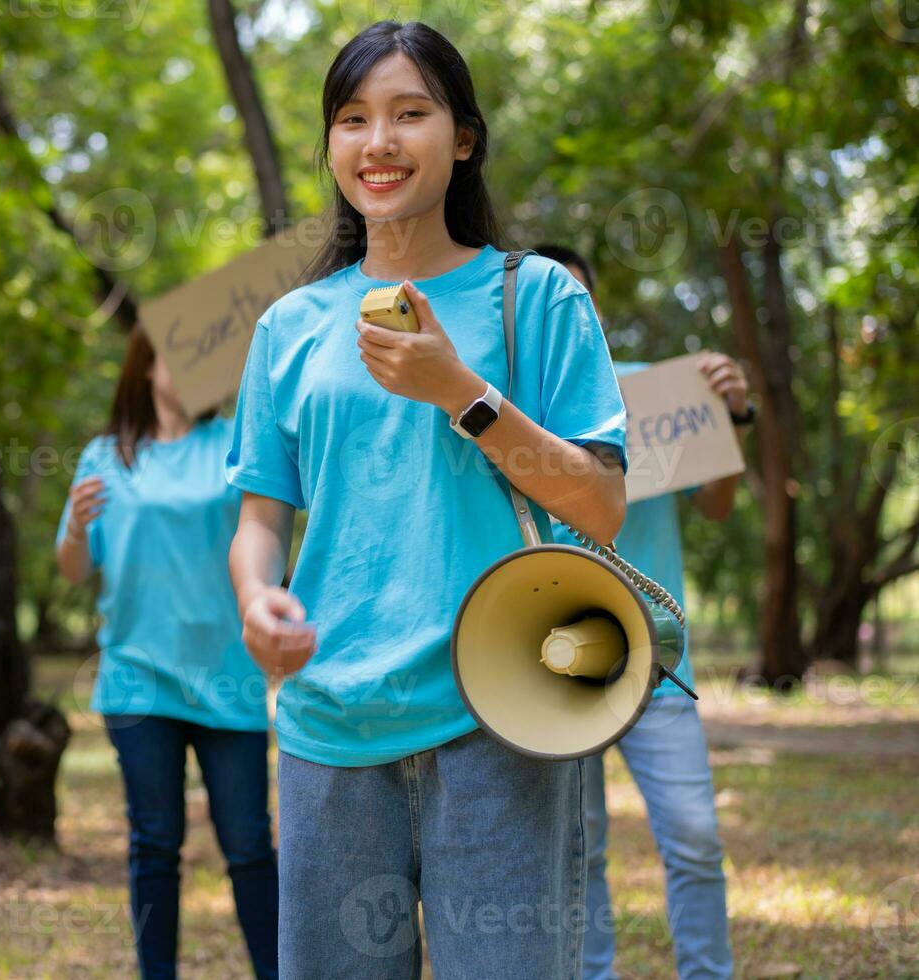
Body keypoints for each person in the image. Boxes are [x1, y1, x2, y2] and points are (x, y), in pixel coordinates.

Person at [225, 21, 631, 978]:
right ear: (330, 145)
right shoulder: (290, 326)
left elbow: (603, 505)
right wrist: (256, 600)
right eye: (354, 119)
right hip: (330, 723)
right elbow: (258, 519)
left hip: (503, 714)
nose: (380, 143)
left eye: (411, 113)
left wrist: (463, 391)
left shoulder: (535, 299)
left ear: (463, 138)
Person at [538, 243, 745, 980]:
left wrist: (730, 416)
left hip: (656, 665)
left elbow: (717, 508)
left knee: (693, 837)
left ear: (593, 312)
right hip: (550, 672)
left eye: (576, 301)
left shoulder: (647, 396)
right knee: (578, 848)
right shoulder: (496, 408)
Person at [56, 329, 278, 980]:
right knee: (154, 844)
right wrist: (73, 523)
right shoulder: (105, 457)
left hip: (228, 678)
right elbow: (73, 569)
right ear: (145, 366)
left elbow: (267, 531)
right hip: (136, 680)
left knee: (248, 845)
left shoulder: (237, 444)